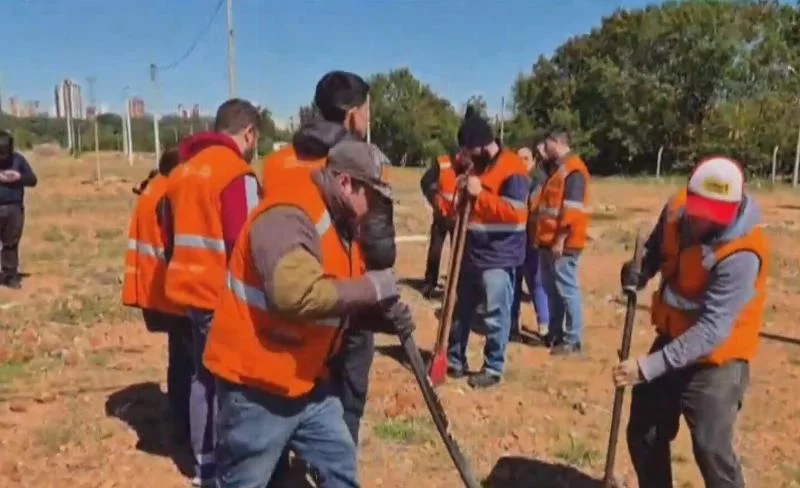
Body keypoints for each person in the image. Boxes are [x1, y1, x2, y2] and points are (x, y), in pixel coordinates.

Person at [204, 140, 413, 488]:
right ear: (346, 183)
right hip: (257, 388)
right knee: (247, 481)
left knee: (338, 461)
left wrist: (380, 319)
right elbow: (294, 294)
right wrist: (372, 288)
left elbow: (331, 298)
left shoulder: (340, 219)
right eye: (372, 197)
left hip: (307, 383)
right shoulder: (288, 214)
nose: (374, 208)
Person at [615, 156, 767, 488]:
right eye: (699, 213)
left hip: (717, 359)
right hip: (672, 337)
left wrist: (647, 367)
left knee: (711, 449)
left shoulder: (742, 253)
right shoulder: (674, 211)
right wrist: (638, 271)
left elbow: (712, 330)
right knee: (645, 432)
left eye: (715, 217)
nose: (703, 223)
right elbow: (656, 251)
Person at [262, 71, 391, 448]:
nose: (367, 118)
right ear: (352, 114)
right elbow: (380, 246)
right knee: (349, 393)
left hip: (290, 298)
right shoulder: (364, 163)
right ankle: (337, 463)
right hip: (347, 299)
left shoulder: (276, 163)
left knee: (296, 385)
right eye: (366, 110)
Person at [162, 99, 262, 487]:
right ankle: (223, 469)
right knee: (230, 386)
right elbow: (249, 244)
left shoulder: (182, 173)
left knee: (201, 379)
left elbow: (170, 236)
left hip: (185, 294)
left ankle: (203, 464)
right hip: (221, 297)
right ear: (249, 133)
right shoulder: (236, 174)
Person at [446, 113, 530, 389]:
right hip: (470, 253)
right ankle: (454, 359)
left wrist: (479, 194)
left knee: (496, 312)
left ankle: (493, 367)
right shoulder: (476, 167)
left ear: (482, 143)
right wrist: (463, 192)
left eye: (468, 149)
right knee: (461, 310)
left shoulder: (513, 168)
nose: (464, 155)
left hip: (499, 255)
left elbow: (516, 212)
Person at [122, 148, 193, 449]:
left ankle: (179, 425)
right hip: (176, 296)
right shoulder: (171, 196)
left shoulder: (152, 189)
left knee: (179, 362)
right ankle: (186, 431)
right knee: (190, 368)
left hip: (156, 292)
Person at [531, 127, 590, 355]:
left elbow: (572, 211)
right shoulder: (558, 170)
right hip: (548, 241)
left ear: (556, 142)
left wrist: (560, 240)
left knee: (566, 289)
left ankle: (573, 340)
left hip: (563, 244)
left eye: (546, 145)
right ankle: (555, 334)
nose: (543, 149)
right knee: (551, 289)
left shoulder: (574, 171)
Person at [511, 143, 550, 337]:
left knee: (536, 281)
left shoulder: (538, 179)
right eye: (518, 158)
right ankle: (512, 324)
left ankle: (544, 323)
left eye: (526, 158)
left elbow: (534, 208)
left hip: (533, 237)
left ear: (533, 160)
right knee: (514, 281)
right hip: (515, 237)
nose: (522, 162)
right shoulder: (512, 178)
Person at [419, 150, 465, 298]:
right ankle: (429, 284)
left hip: (459, 218)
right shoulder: (443, 164)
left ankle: (457, 286)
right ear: (459, 153)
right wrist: (434, 200)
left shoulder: (470, 168)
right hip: (442, 215)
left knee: (458, 253)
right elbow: (425, 182)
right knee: (435, 250)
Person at [0, 130, 38, 289]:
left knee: (11, 243)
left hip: (14, 208)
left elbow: (33, 180)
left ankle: (10, 275)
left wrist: (19, 177)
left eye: (5, 152)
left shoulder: (18, 160)